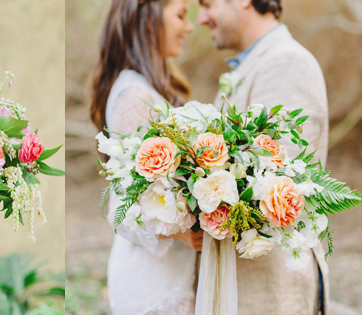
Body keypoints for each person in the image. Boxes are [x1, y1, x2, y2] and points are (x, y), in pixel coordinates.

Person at [198, 0, 329, 313]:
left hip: (272, 292)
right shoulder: (252, 65)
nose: (202, 18)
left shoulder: (286, 63)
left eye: (206, 4)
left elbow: (279, 181)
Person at [88, 0, 199, 313]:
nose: (189, 27)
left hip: (169, 271)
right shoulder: (135, 98)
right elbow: (120, 209)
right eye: (180, 15)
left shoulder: (148, 90)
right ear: (149, 19)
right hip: (154, 284)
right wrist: (183, 231)